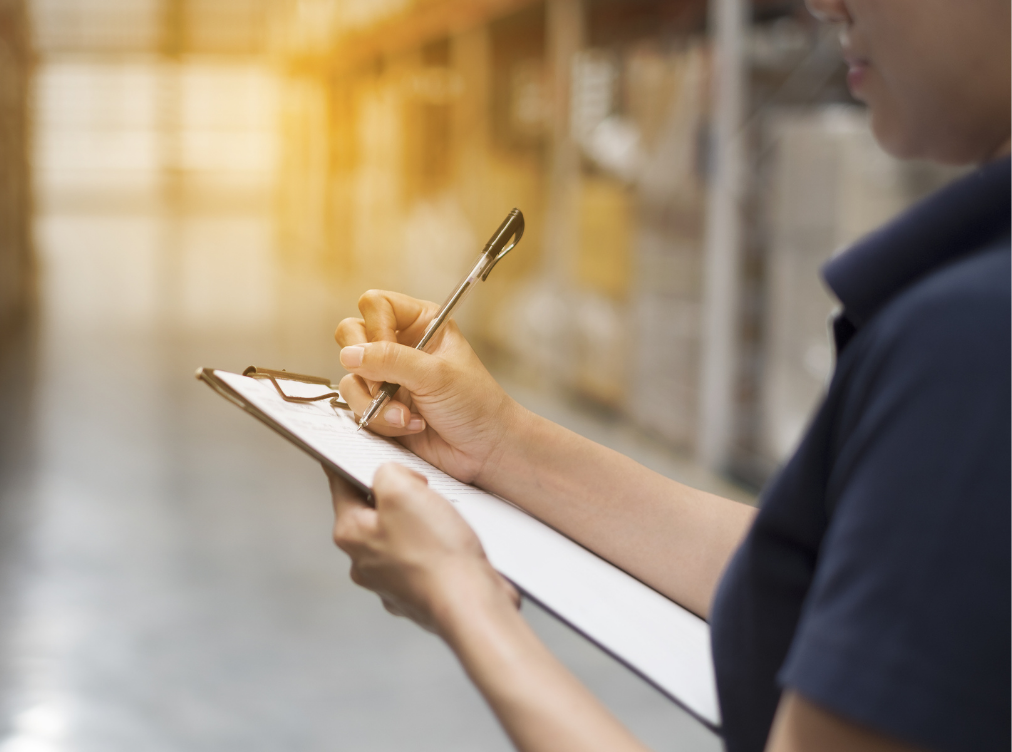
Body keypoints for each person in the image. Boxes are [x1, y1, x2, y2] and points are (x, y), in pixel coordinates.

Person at [325, 1, 1010, 750]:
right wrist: (498, 444)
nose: (823, 3)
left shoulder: (973, 345)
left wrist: (464, 603)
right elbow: (821, 577)